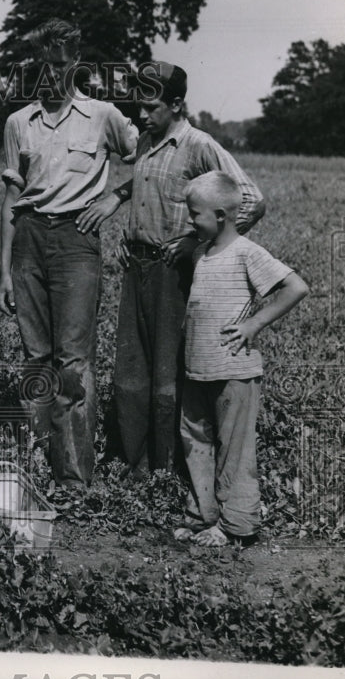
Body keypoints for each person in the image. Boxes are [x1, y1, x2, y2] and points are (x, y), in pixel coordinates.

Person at [80, 62, 265, 476]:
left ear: (178, 104)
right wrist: (118, 199)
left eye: (151, 107)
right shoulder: (146, 141)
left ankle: (168, 467)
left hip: (175, 273)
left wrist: (199, 243)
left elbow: (252, 198)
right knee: (130, 372)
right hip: (137, 269)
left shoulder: (199, 144)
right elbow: (152, 182)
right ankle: (132, 463)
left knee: (170, 372)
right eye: (137, 107)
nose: (141, 117)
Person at [0, 19, 138, 485]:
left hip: (78, 241)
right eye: (42, 64)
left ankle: (74, 479)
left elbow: (155, 156)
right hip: (29, 241)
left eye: (59, 64)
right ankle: (34, 469)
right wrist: (3, 270)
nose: (50, 74)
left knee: (73, 360)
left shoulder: (103, 116)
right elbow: (11, 201)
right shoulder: (19, 122)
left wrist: (115, 197)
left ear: (75, 64)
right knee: (35, 355)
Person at [174, 171, 308, 546]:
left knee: (235, 449)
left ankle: (237, 525)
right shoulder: (202, 252)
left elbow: (296, 287)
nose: (190, 220)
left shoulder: (247, 252)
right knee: (195, 440)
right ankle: (204, 516)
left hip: (234, 369)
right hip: (198, 369)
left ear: (220, 215)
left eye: (195, 213)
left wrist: (254, 324)